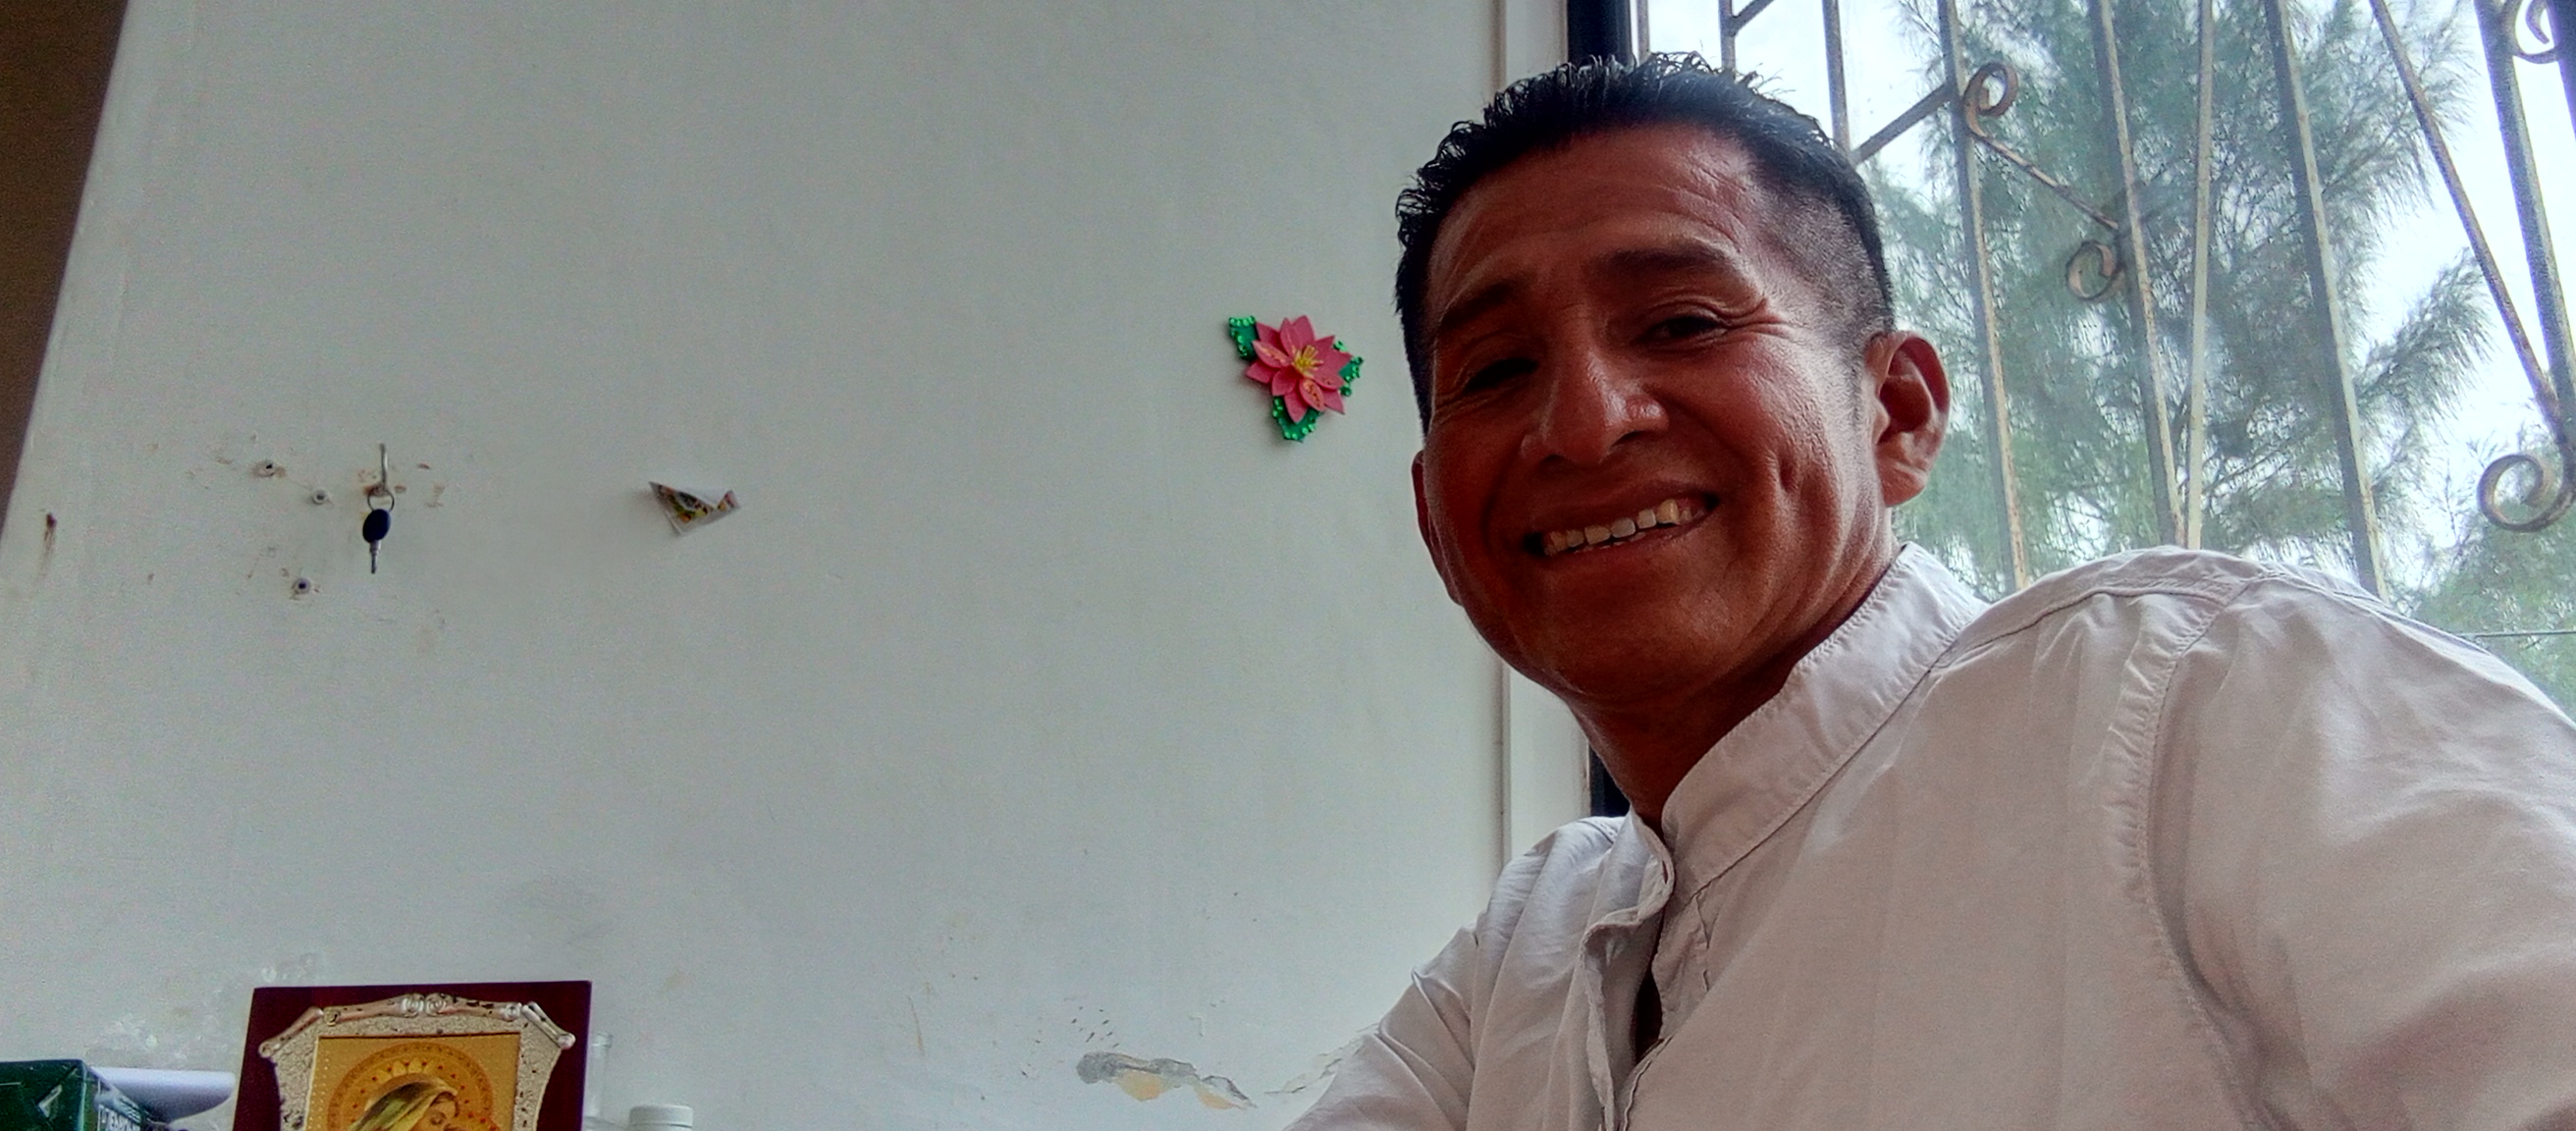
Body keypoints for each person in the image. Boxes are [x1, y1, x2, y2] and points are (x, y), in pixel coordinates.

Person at [1290, 54, 2576, 1130]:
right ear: (1435, 520)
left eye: (1682, 323)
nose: (1582, 423)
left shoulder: (2196, 709)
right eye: (1496, 370)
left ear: (1897, 412)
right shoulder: (1519, 955)